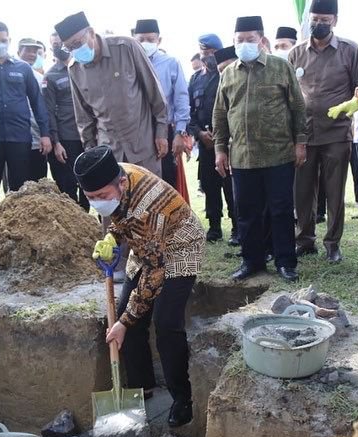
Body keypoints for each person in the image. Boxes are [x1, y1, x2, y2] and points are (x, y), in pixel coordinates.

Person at [77, 145, 205, 428]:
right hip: (146, 242)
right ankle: (141, 386)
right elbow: (121, 216)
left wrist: (124, 322)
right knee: (127, 313)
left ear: (121, 183)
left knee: (165, 322)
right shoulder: (114, 176)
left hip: (181, 245)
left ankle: (182, 398)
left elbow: (154, 275)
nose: (97, 202)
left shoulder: (150, 207)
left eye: (101, 197)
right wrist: (112, 236)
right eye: (91, 198)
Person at [55, 11, 169, 282]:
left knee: (149, 202)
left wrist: (161, 131)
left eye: (78, 43)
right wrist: (91, 152)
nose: (75, 50)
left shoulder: (126, 47)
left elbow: (154, 92)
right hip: (108, 150)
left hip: (143, 139)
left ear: (91, 33)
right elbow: (84, 116)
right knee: (112, 208)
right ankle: (118, 264)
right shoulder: (75, 68)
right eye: (69, 47)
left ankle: (156, 261)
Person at [214, 15, 308, 283]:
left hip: (278, 153)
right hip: (242, 156)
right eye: (239, 40)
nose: (245, 44)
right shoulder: (228, 74)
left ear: (262, 40)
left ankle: (285, 262)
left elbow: (297, 107)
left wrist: (300, 142)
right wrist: (221, 150)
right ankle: (252, 261)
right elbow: (220, 115)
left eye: (250, 39)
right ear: (234, 42)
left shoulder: (280, 67)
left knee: (280, 210)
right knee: (246, 212)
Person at [289, 0, 358, 264]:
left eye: (324, 20)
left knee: (334, 192)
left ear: (335, 21)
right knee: (303, 192)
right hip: (304, 136)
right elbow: (290, 96)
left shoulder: (350, 51)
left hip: (336, 134)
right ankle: (305, 240)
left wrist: (348, 108)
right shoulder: (296, 53)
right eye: (315, 19)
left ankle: (333, 244)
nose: (318, 24)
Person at [0, 22, 51, 205]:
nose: (0, 44)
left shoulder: (23, 68)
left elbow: (37, 102)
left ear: (9, 40)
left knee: (19, 189)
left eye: (3, 40)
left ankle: (18, 231)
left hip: (20, 137)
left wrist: (45, 134)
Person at [133, 19, 190, 188]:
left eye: (151, 40)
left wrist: (180, 132)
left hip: (164, 130)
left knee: (166, 183)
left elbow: (181, 98)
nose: (146, 43)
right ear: (134, 39)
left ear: (159, 40)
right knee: (140, 183)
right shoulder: (128, 63)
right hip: (135, 132)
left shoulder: (171, 63)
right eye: (141, 39)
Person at [189, 47, 236, 244]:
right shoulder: (194, 79)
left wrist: (222, 137)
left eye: (211, 50)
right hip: (205, 143)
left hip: (228, 142)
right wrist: (199, 133)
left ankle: (237, 227)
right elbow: (190, 112)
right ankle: (214, 226)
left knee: (231, 187)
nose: (207, 54)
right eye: (203, 50)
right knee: (209, 185)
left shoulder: (229, 73)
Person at [43, 32, 88, 210]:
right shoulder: (51, 76)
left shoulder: (85, 66)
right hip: (66, 139)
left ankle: (93, 226)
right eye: (55, 45)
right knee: (68, 186)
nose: (59, 47)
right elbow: (48, 111)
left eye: (62, 43)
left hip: (88, 137)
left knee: (91, 183)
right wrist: (56, 142)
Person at [17, 37, 51, 183]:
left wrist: (45, 134)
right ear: (18, 52)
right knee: (17, 184)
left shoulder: (41, 78)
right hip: (16, 139)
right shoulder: (10, 73)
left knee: (39, 183)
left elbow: (44, 108)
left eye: (34, 51)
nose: (31, 54)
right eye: (27, 50)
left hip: (37, 140)